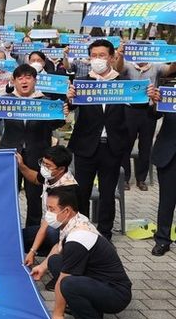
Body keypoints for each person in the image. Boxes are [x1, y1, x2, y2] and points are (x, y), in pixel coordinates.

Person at [30, 188, 132, 319]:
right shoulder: (75, 220)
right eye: (47, 208)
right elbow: (58, 247)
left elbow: (64, 278)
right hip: (98, 281)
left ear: (66, 211)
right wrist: (42, 266)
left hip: (116, 294)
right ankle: (81, 305)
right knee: (54, 261)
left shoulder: (78, 238)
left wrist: (58, 314)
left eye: (52, 209)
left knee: (67, 283)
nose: (48, 214)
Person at [66, 39, 140, 240]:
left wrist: (148, 96)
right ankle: (81, 233)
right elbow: (70, 107)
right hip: (86, 146)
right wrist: (70, 97)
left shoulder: (123, 83)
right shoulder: (82, 82)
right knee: (81, 192)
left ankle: (105, 235)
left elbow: (140, 105)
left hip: (113, 146)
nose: (97, 59)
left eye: (102, 55)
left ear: (112, 57)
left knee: (108, 193)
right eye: (94, 56)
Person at [0, 64, 67, 226]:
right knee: (8, 195)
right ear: (14, 82)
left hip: (37, 155)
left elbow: (55, 124)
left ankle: (32, 232)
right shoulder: (6, 100)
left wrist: (62, 114)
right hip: (10, 153)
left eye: (28, 78)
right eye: (20, 78)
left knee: (34, 197)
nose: (24, 81)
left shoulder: (45, 102)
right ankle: (8, 229)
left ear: (35, 81)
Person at [17, 146, 78, 274]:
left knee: (51, 232)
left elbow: (46, 225)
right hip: (51, 225)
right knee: (19, 237)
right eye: (43, 163)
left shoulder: (66, 190)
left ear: (61, 169)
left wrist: (32, 251)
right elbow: (35, 178)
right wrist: (21, 166)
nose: (44, 167)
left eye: (48, 165)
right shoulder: (51, 174)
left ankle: (60, 263)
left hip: (67, 233)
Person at [118, 56, 176, 191]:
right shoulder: (128, 65)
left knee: (146, 146)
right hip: (129, 109)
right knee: (126, 145)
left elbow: (170, 69)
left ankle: (141, 179)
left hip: (148, 111)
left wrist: (173, 57)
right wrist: (120, 54)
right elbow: (118, 68)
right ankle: (125, 178)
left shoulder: (156, 65)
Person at [148, 86, 176, 256]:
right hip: (169, 152)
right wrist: (154, 102)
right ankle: (163, 239)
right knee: (167, 200)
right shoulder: (170, 91)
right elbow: (153, 115)